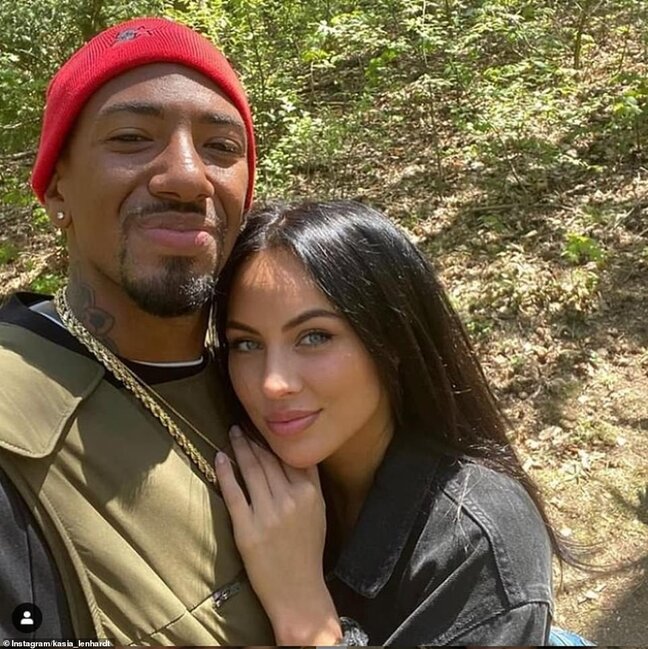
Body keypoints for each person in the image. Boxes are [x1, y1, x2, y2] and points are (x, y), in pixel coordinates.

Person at [0, 17, 275, 645]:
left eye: (221, 147)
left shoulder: (280, 387)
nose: (187, 176)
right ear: (55, 189)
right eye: (130, 138)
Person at [212, 200, 565, 646]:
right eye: (246, 344)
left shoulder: (477, 543)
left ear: (392, 340)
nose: (273, 383)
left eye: (315, 337)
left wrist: (303, 613)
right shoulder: (250, 467)